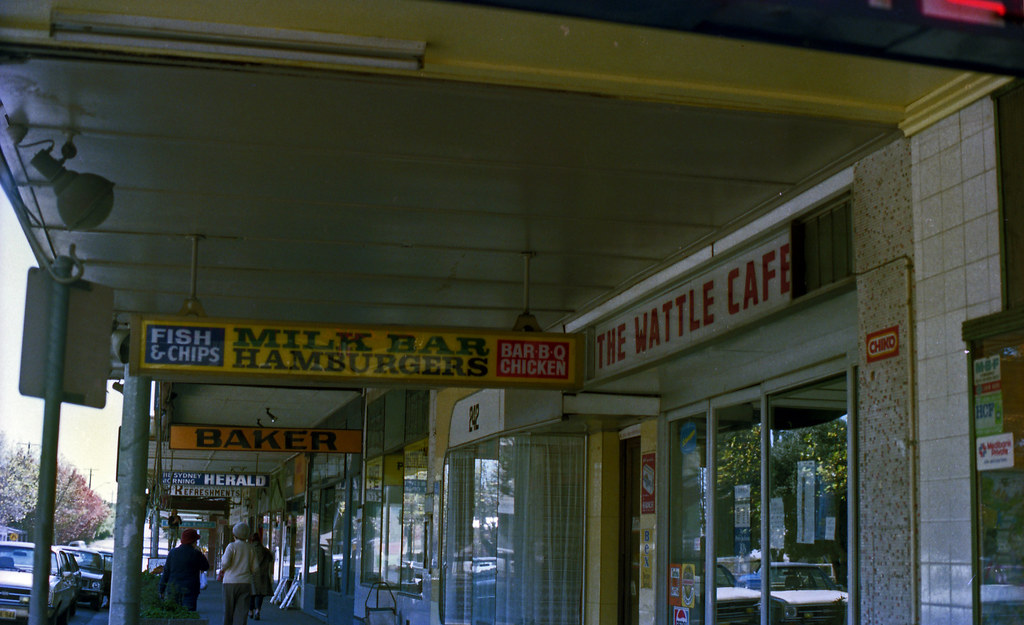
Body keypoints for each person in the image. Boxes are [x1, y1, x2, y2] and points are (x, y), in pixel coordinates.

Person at [159, 528, 210, 611]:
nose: (196, 543)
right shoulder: (196, 553)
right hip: (190, 590)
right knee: (188, 615)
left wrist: (161, 589)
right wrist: (201, 554)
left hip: (173, 588)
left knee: (174, 614)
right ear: (192, 541)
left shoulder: (173, 553)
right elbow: (206, 567)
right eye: (196, 541)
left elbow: (166, 572)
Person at [219, 522, 257, 625]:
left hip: (230, 582)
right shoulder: (251, 548)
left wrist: (222, 569)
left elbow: (225, 563)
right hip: (245, 583)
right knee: (241, 613)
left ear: (234, 534)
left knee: (228, 611)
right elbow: (255, 568)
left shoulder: (231, 546)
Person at [249, 532, 273, 620]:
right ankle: (257, 610)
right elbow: (271, 559)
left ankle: (250, 611)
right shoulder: (265, 550)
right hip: (263, 575)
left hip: (252, 575)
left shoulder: (250, 549)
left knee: (251, 593)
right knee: (260, 594)